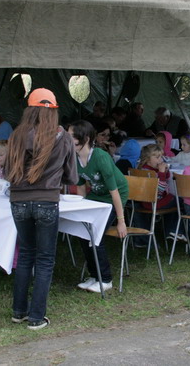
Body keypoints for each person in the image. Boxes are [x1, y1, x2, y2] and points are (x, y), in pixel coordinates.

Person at [6, 88, 77, 330]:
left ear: (29, 110)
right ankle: (37, 317)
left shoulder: (17, 135)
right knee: (45, 260)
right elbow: (73, 177)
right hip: (47, 201)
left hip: (18, 201)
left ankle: (19, 311)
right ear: (53, 112)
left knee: (25, 254)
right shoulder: (63, 138)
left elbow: (7, 172)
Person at [70, 120, 128, 294]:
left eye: (72, 136)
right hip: (96, 196)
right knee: (83, 230)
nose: (67, 139)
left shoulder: (101, 157)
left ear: (85, 139)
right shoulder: (75, 158)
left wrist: (121, 221)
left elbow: (115, 191)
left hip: (113, 197)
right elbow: (80, 187)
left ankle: (106, 279)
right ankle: (94, 276)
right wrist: (82, 212)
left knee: (94, 232)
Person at [135, 144, 179, 246]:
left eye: (161, 156)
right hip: (154, 201)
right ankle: (173, 231)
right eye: (157, 157)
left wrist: (165, 172)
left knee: (175, 203)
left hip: (145, 201)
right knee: (181, 202)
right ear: (147, 159)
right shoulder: (149, 173)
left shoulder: (143, 169)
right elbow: (160, 190)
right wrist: (161, 173)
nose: (160, 159)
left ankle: (170, 232)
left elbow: (165, 179)